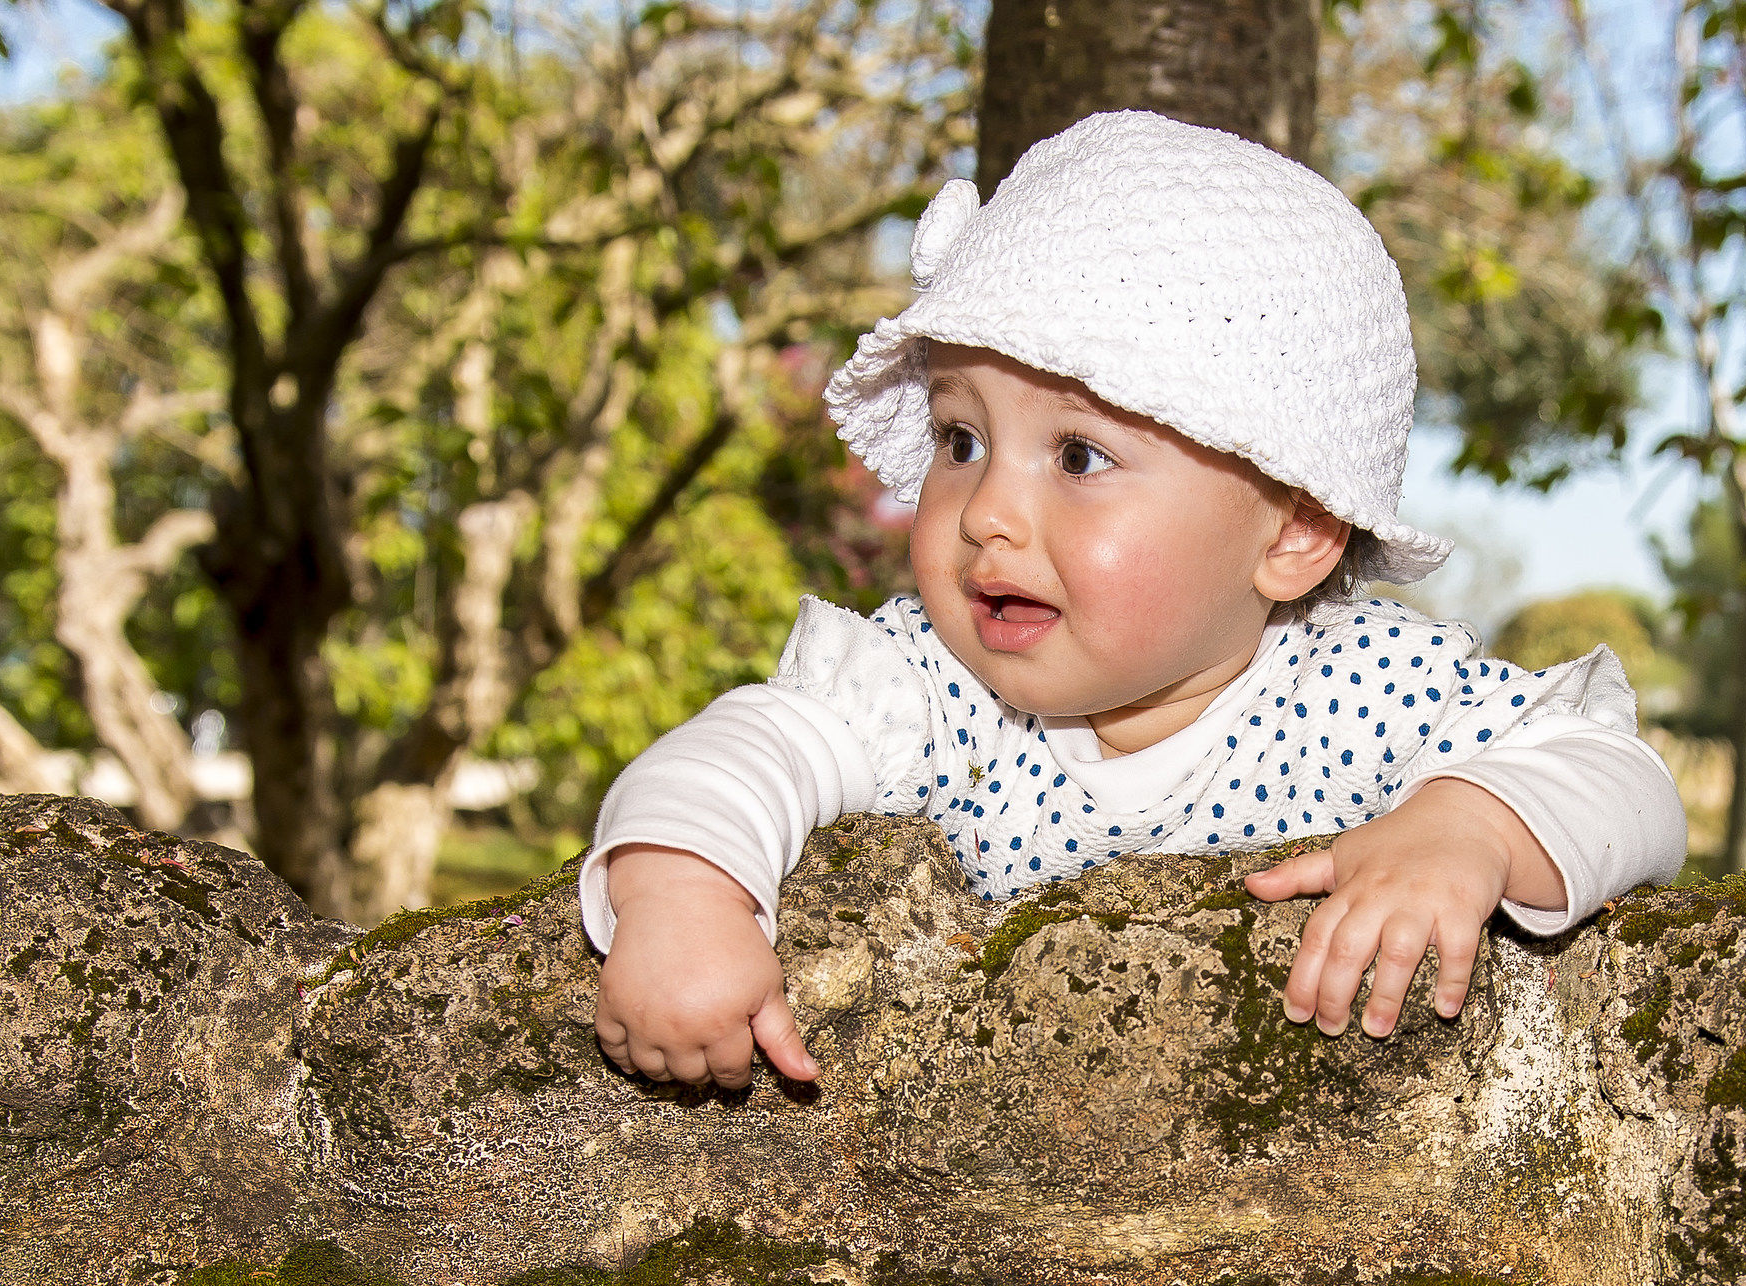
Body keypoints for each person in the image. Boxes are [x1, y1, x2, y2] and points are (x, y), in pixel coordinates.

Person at [577, 111, 1686, 1090]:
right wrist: (683, 894)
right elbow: (743, 747)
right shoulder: (930, 686)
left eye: (1078, 455)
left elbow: (1622, 779)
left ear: (1294, 530)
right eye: (962, 439)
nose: (984, 514)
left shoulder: (1358, 689)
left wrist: (1468, 826)